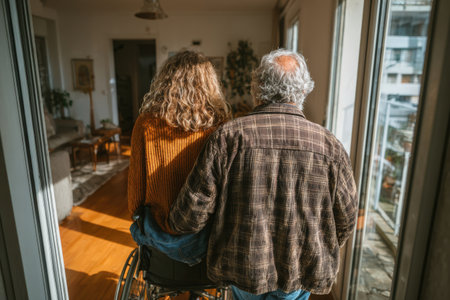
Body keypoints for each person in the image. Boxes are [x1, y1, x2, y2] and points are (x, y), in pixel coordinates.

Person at [168, 49, 358, 299]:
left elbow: (190, 214)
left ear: (257, 89)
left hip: (243, 268)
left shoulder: (228, 137)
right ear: (303, 91)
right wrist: (314, 246)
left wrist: (171, 225)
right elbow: (346, 217)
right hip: (300, 270)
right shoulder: (330, 145)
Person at [127, 50, 230, 265]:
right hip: (204, 237)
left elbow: (135, 199)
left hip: (159, 236)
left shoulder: (145, 124)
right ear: (210, 85)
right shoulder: (221, 125)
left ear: (164, 82)